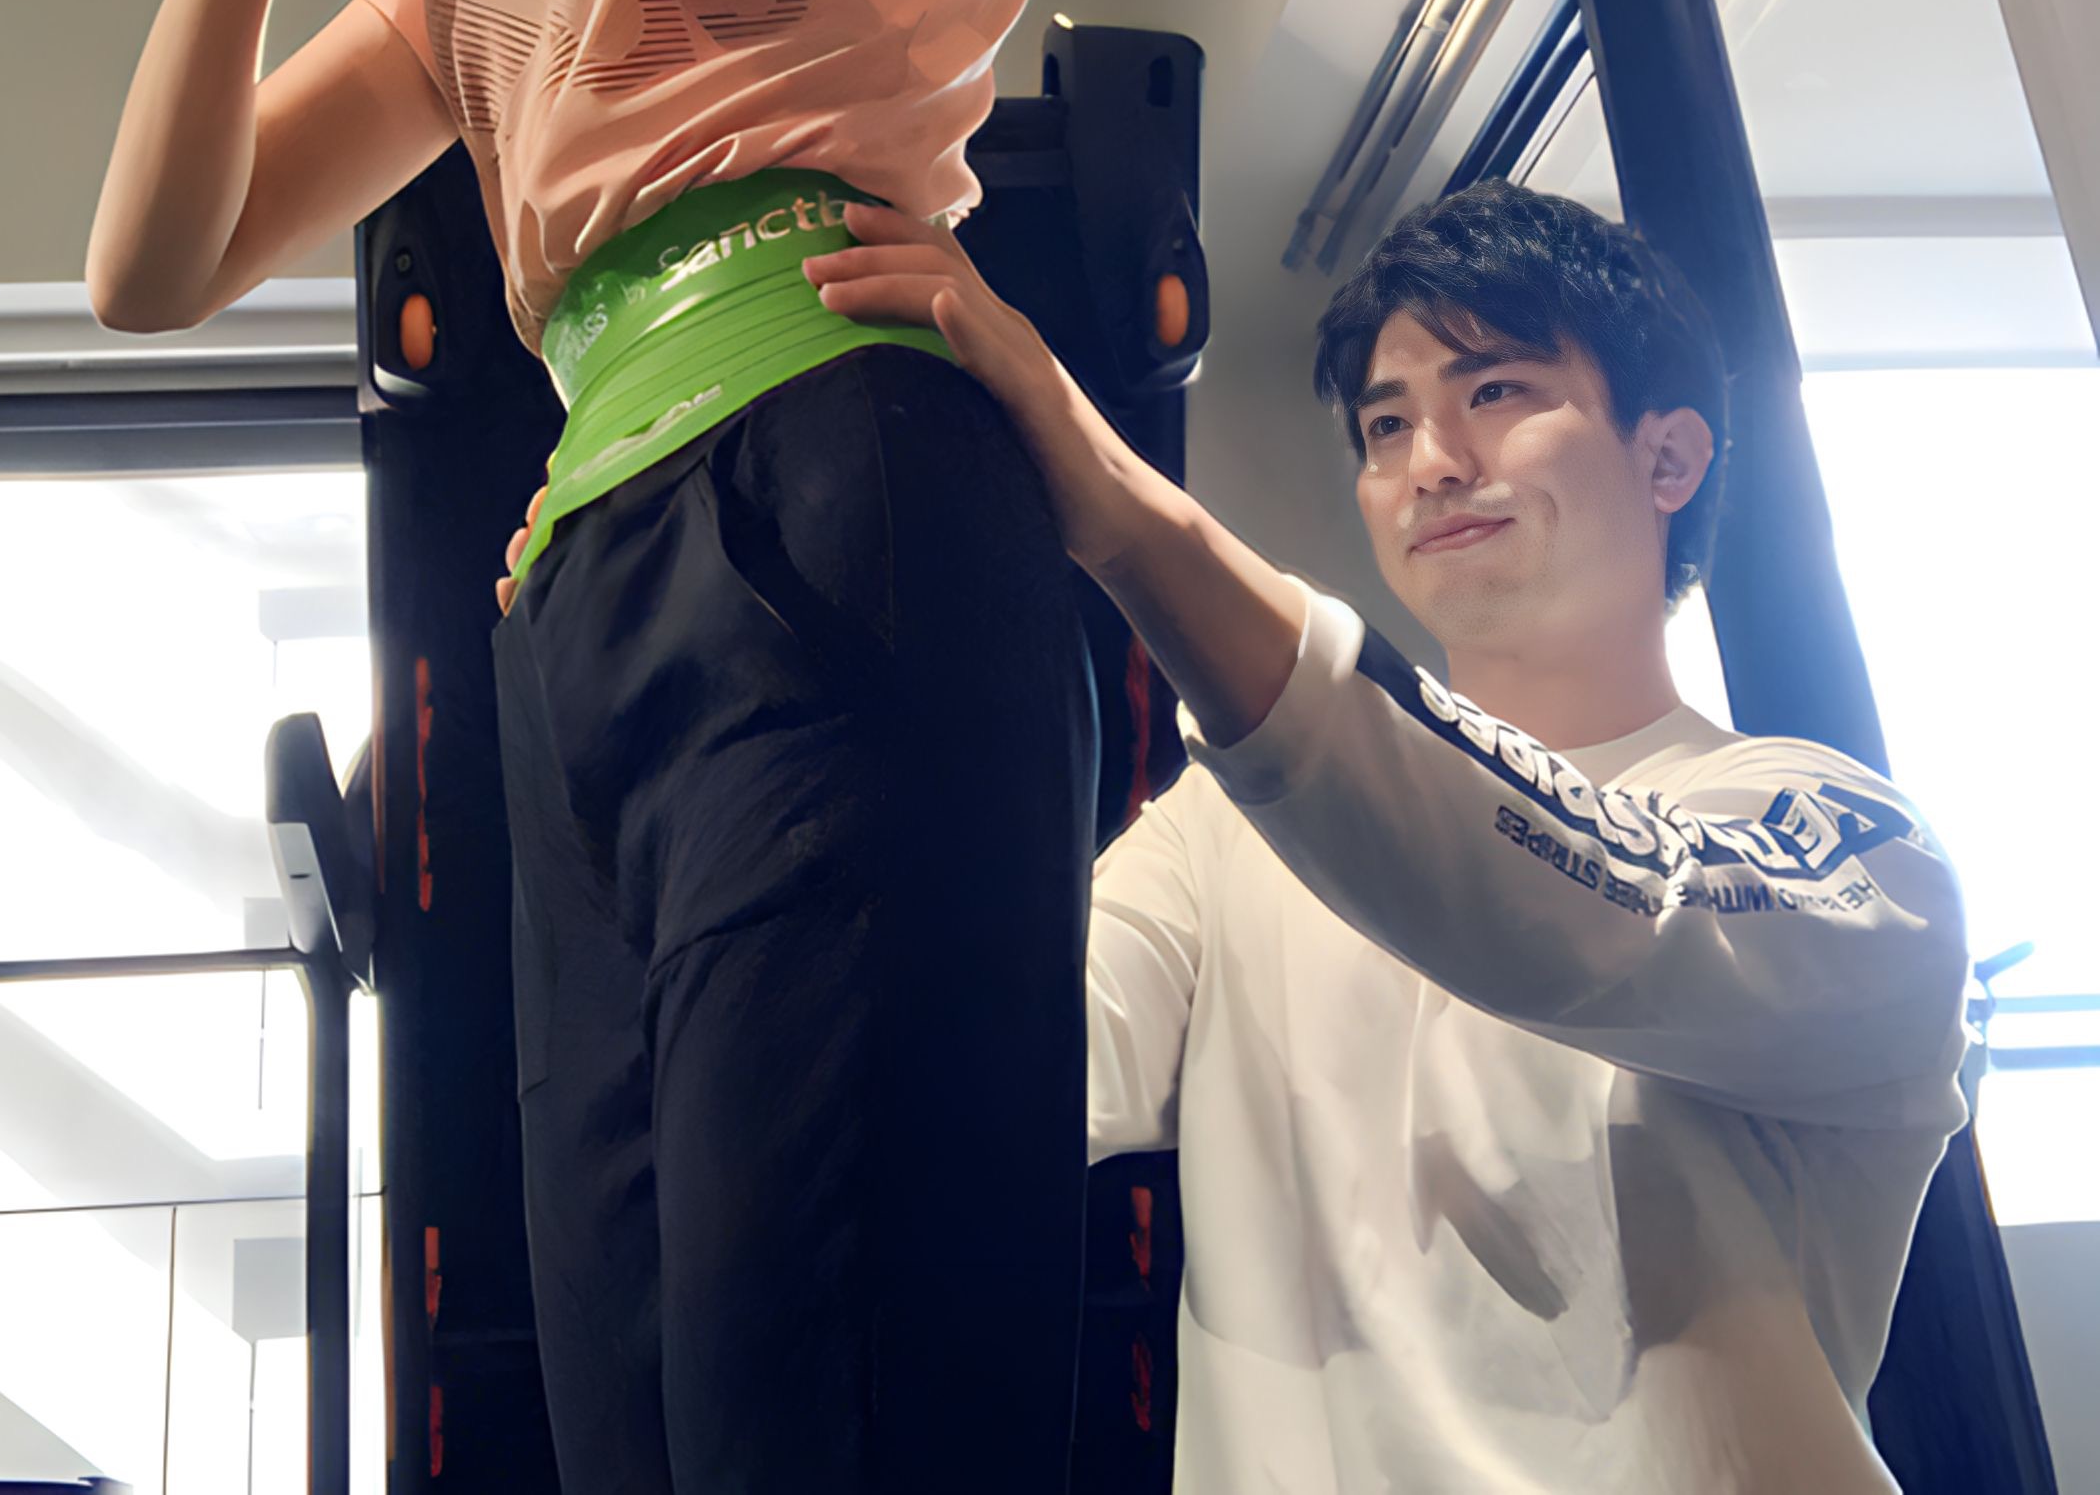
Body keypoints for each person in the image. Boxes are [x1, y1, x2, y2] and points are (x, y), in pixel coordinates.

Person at [86, 0, 1231, 1492]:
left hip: (846, 476)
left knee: (834, 1379)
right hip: (581, 585)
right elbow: (156, 266)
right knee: (634, 1401)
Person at [764, 176, 1968, 1492]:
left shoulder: (1848, 842)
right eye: (1387, 426)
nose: (1431, 464)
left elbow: (1608, 912)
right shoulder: (1227, 830)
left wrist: (1132, 516)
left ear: (1669, 457)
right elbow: (997, 1061)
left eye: (1496, 391)